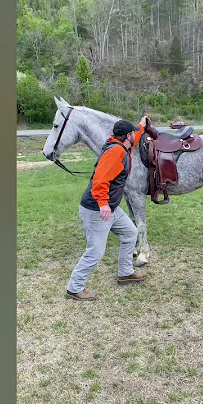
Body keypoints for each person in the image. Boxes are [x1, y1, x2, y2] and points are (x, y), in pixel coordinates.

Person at [65, 116, 150, 301]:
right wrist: (103, 203)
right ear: (127, 136)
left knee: (130, 233)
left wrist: (142, 125)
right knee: (95, 251)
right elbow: (100, 180)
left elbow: (135, 133)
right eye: (133, 133)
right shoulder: (115, 153)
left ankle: (125, 273)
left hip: (109, 208)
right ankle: (74, 288)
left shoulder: (122, 145)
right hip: (97, 209)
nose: (136, 135)